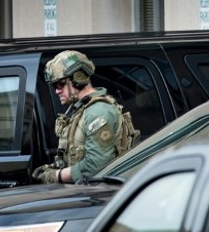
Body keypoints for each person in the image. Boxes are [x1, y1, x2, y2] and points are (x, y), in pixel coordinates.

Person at [32, 50, 138, 184]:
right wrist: (53, 168)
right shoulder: (79, 110)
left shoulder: (99, 112)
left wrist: (57, 175)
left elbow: (95, 165)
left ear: (78, 78)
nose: (57, 91)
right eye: (54, 86)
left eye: (60, 84)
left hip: (98, 196)